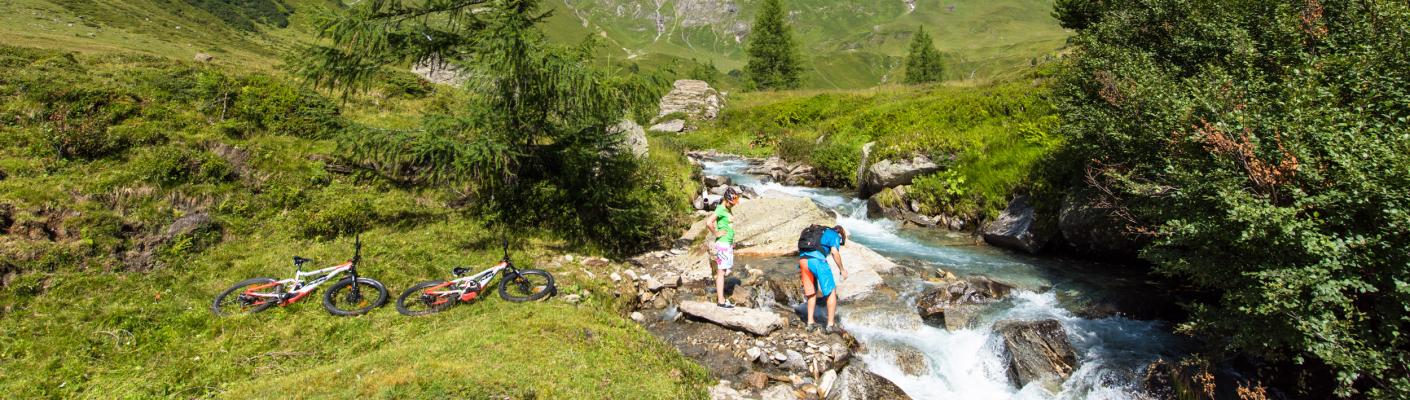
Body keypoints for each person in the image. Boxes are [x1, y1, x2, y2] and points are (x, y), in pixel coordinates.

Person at [798, 225, 848, 333]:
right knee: (831, 292)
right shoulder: (834, 235)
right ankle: (830, 325)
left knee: (811, 292)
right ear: (841, 233)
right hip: (817, 261)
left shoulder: (818, 232)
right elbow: (834, 252)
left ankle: (810, 323)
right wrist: (842, 270)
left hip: (803, 260)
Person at [706, 188, 742, 308]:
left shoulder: (727, 208)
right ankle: (721, 301)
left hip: (728, 244)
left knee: (725, 270)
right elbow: (708, 222)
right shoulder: (721, 209)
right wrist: (716, 233)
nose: (733, 205)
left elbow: (729, 225)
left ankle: (720, 293)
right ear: (726, 200)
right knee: (721, 272)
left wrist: (732, 241)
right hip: (722, 244)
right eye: (732, 203)